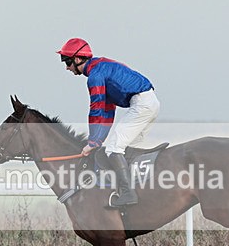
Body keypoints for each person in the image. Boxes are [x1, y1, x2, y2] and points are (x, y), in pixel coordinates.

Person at [56, 38, 160, 207]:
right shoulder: (100, 67)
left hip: (141, 104)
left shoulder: (95, 77)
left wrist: (93, 142)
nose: (67, 68)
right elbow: (108, 110)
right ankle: (136, 190)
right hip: (149, 102)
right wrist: (97, 140)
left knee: (113, 149)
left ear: (77, 59)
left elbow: (96, 110)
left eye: (67, 62)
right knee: (124, 149)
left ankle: (128, 194)